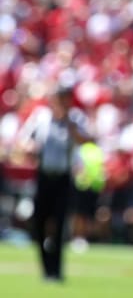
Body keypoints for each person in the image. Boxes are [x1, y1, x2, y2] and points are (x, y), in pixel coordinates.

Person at [16, 84, 93, 282]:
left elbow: (86, 140)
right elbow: (24, 140)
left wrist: (70, 126)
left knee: (59, 224)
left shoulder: (75, 119)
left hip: (63, 177)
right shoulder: (41, 117)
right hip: (43, 176)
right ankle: (45, 268)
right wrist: (30, 148)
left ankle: (56, 271)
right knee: (39, 223)